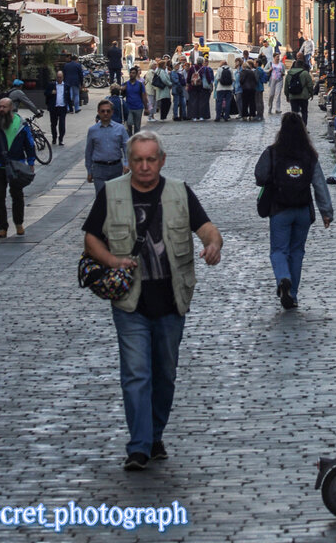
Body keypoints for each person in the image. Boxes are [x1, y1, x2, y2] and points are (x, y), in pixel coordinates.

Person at [82, 129, 223, 469]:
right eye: (137, 160)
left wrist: (214, 245)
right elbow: (91, 238)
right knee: (136, 373)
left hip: (171, 299)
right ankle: (139, 446)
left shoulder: (178, 191)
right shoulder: (111, 193)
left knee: (165, 374)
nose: (144, 167)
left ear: (162, 160)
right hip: (130, 301)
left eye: (150, 159)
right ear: (128, 163)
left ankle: (155, 433)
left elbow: (206, 228)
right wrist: (114, 261)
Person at [254, 112, 333, 308]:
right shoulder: (309, 155)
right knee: (297, 252)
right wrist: (326, 212)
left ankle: (283, 278)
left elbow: (259, 175)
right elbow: (320, 185)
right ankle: (293, 295)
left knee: (279, 250)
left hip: (280, 208)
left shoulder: (273, 152)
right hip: (303, 209)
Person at [0, 96, 35, 237]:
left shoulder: (21, 124)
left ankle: (18, 223)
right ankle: (2, 227)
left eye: (4, 107)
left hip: (16, 165)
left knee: (17, 196)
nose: (1, 109)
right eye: (0, 107)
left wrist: (31, 161)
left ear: (11, 108)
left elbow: (29, 143)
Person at [85, 99, 130, 195]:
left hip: (116, 168)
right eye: (103, 111)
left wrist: (127, 163)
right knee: (101, 198)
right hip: (99, 168)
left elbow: (127, 147)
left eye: (108, 111)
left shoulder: (120, 128)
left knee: (116, 198)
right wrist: (89, 170)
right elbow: (88, 151)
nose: (105, 113)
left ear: (112, 112)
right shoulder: (92, 130)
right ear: (98, 112)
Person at [283, 55, 313, 124]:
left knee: (294, 113)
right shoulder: (305, 73)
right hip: (303, 96)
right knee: (304, 112)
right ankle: (304, 127)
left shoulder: (289, 74)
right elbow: (310, 85)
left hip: (293, 96)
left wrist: (287, 96)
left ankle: (295, 127)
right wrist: (311, 94)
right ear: (302, 66)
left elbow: (286, 87)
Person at [121, 66, 149, 137]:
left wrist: (146, 108)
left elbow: (144, 96)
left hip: (138, 107)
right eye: (130, 73)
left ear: (136, 74)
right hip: (129, 107)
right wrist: (122, 89)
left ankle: (136, 139)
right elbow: (120, 94)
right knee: (129, 123)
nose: (131, 74)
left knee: (137, 126)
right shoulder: (126, 84)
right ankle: (130, 137)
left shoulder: (140, 85)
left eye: (133, 73)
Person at [45, 69, 69, 145]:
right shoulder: (51, 85)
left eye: (60, 77)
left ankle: (61, 138)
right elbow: (46, 93)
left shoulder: (66, 86)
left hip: (62, 107)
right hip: (54, 107)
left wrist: (70, 107)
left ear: (63, 77)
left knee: (62, 124)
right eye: (58, 77)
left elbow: (68, 97)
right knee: (53, 124)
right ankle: (54, 137)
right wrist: (51, 92)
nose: (59, 79)